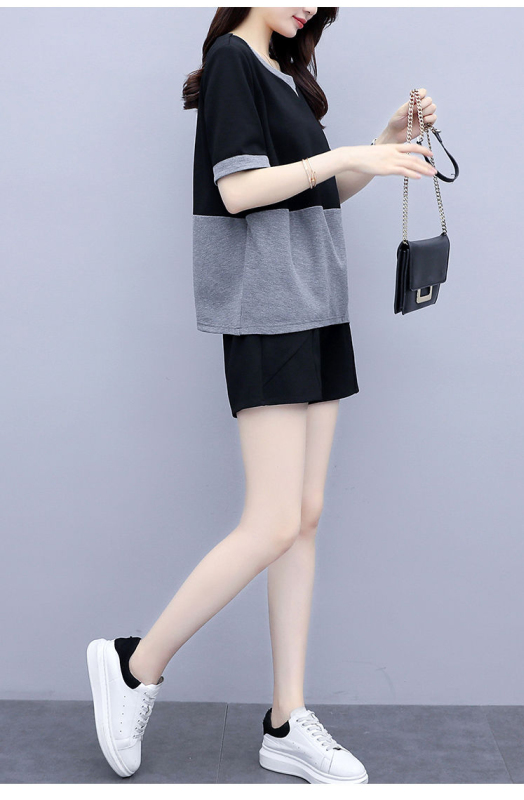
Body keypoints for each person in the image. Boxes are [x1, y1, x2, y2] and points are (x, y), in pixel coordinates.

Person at [86, 6, 438, 784]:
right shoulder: (232, 63)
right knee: (272, 520)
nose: (311, 5)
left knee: (303, 518)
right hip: (268, 311)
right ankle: (135, 665)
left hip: (319, 307)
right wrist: (345, 153)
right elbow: (240, 190)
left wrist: (381, 143)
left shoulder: (282, 74)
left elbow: (318, 194)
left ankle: (286, 719)